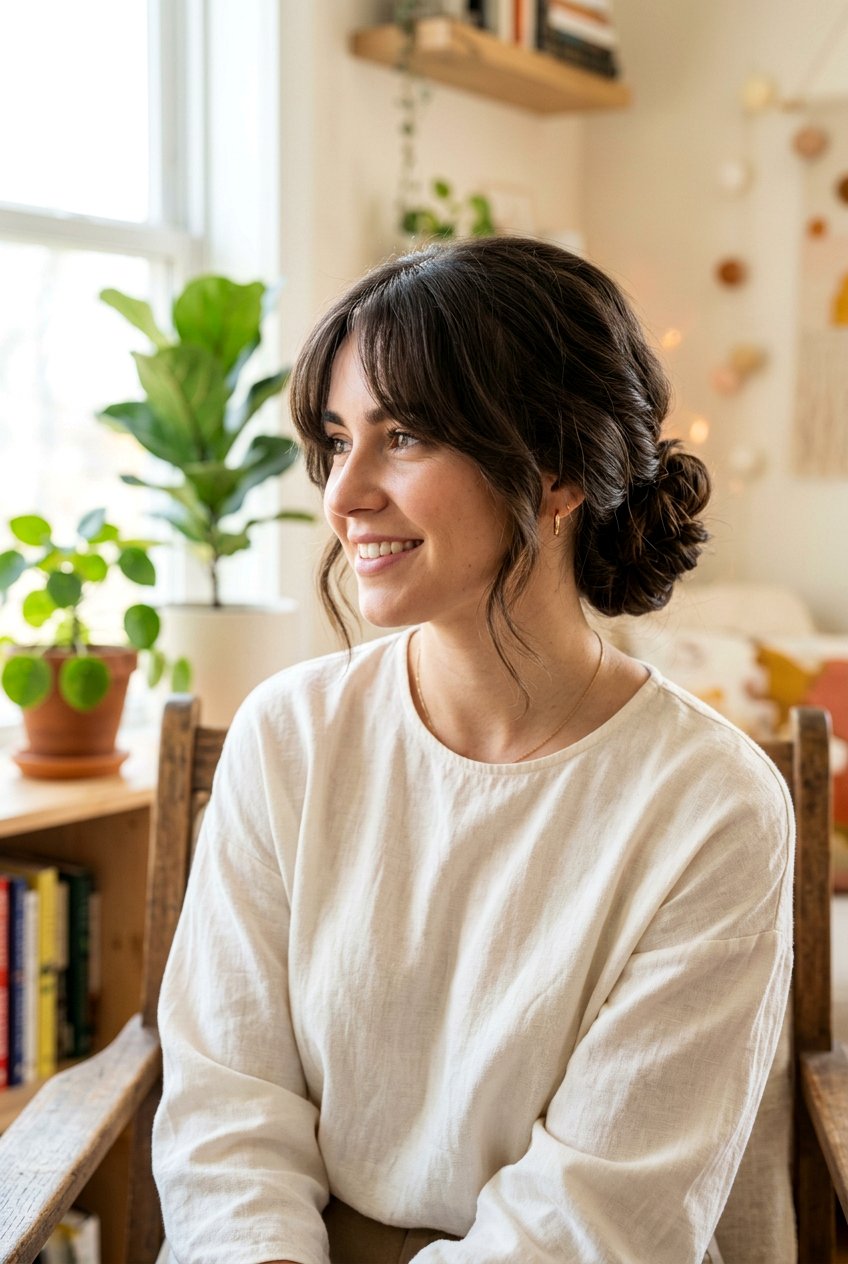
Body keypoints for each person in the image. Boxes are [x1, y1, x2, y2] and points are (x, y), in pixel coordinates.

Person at [152, 236, 794, 1264]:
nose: (343, 492)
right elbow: (227, 1105)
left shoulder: (710, 803)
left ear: (553, 470)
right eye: (335, 436)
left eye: (400, 435)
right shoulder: (289, 736)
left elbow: (595, 1221)